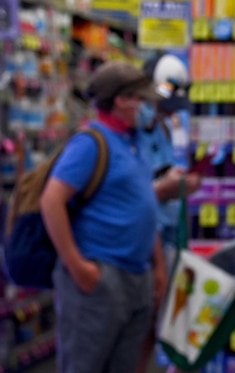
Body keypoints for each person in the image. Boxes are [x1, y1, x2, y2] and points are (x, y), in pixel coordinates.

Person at [40, 61, 188, 373]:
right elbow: (51, 201)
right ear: (122, 101)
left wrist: (158, 266)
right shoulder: (91, 143)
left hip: (137, 277)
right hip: (101, 277)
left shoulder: (134, 144)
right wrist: (78, 266)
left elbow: (143, 207)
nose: (146, 107)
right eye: (141, 99)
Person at [135, 53, 203, 373]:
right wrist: (162, 189)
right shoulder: (137, 127)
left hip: (169, 237)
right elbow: (131, 193)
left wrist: (183, 185)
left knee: (156, 327)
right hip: (144, 245)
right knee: (137, 330)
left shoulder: (164, 126)